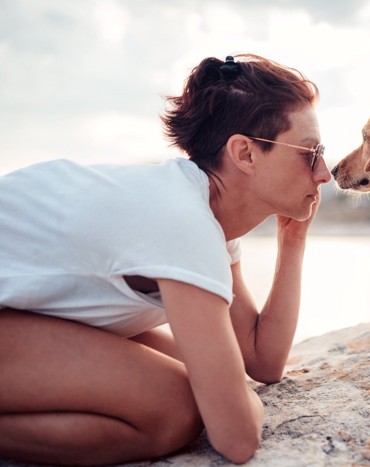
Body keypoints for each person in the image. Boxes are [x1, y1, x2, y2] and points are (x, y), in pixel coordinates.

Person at [0, 53, 330, 465]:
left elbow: (261, 360)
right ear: (245, 154)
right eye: (309, 152)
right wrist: (238, 399)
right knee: (175, 409)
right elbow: (238, 439)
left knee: (189, 385)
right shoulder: (181, 220)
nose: (324, 173)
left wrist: (293, 241)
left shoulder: (203, 218)